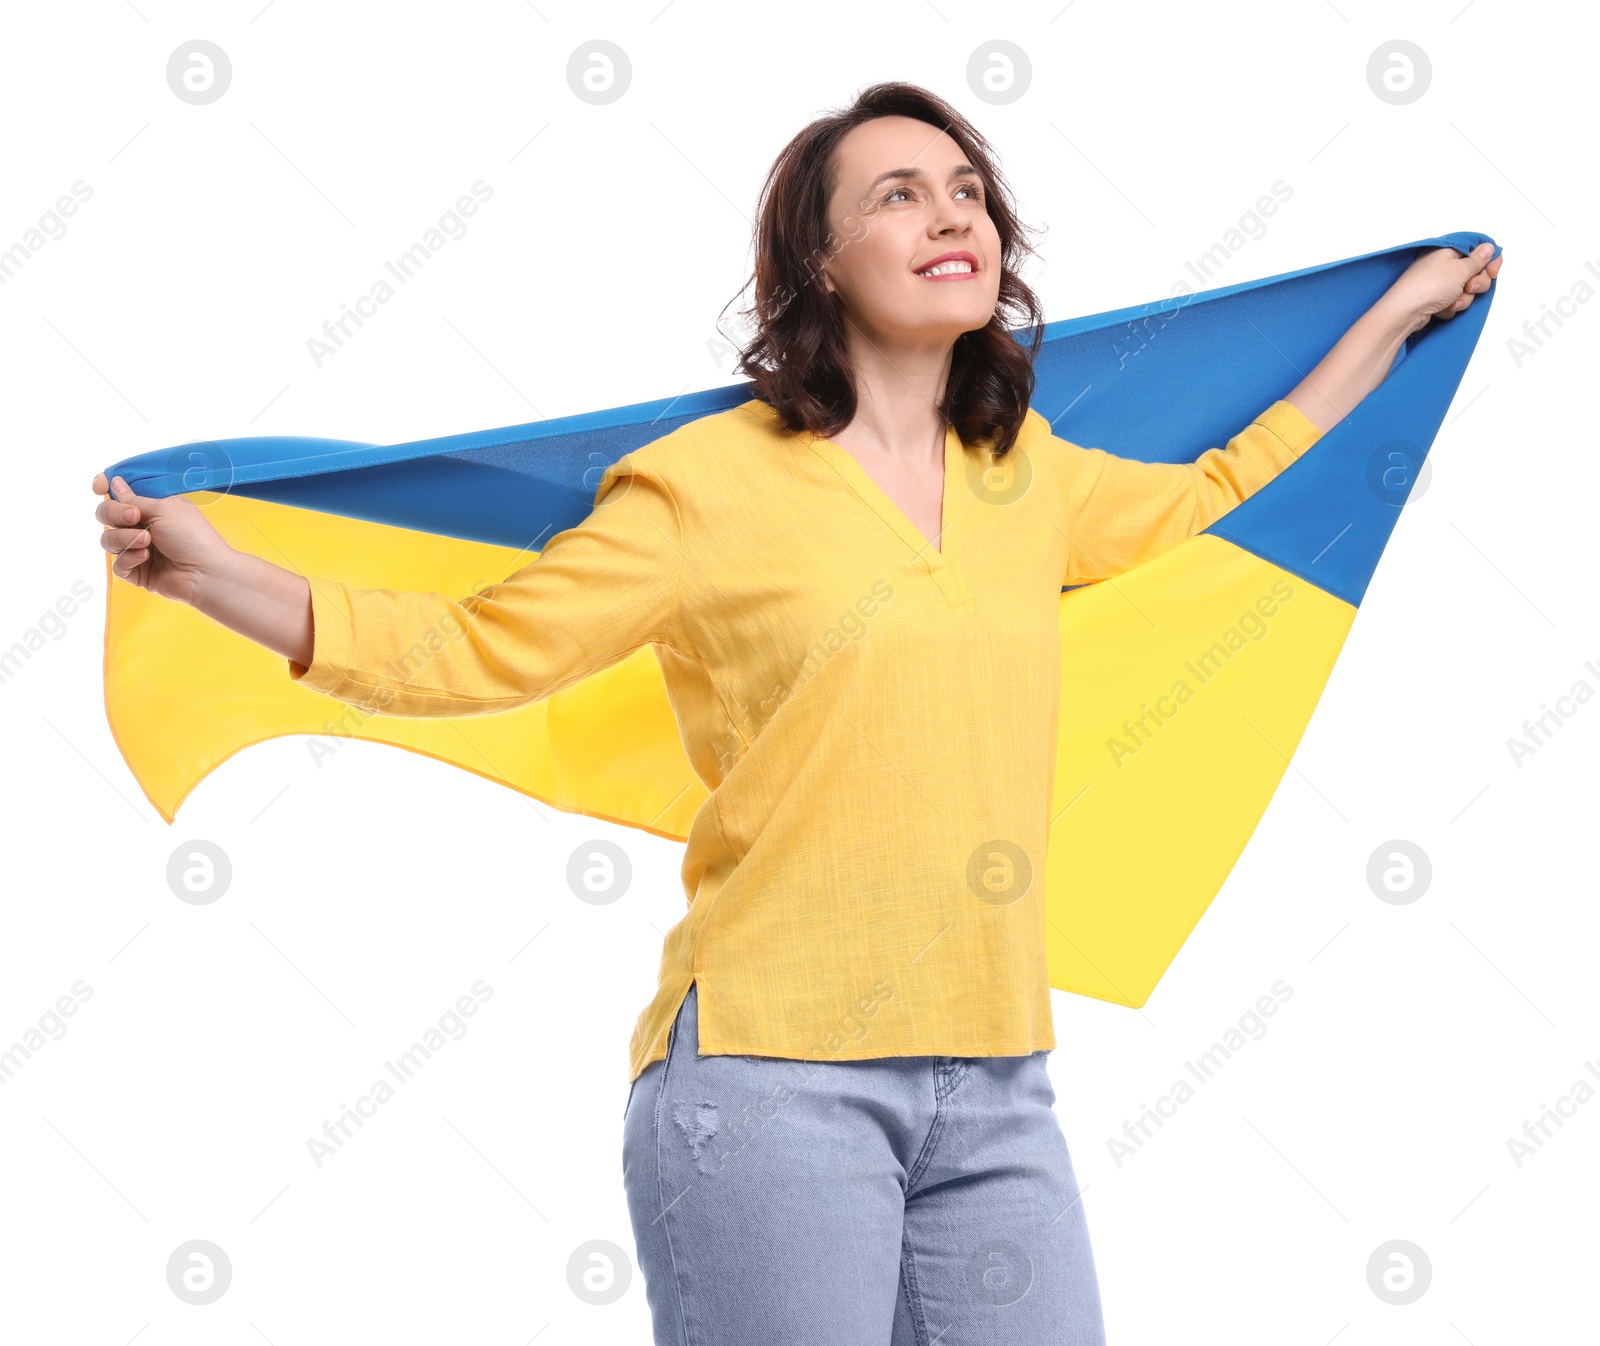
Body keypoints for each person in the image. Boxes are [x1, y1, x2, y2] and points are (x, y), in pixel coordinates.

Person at [91, 81, 1501, 1346]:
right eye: (899, 194)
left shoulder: (1029, 475)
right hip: (769, 1089)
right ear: (819, 261)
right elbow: (476, 651)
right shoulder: (705, 485)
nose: (951, 215)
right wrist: (222, 576)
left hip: (999, 1084)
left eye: (968, 193)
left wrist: (1389, 317)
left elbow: (1214, 488)